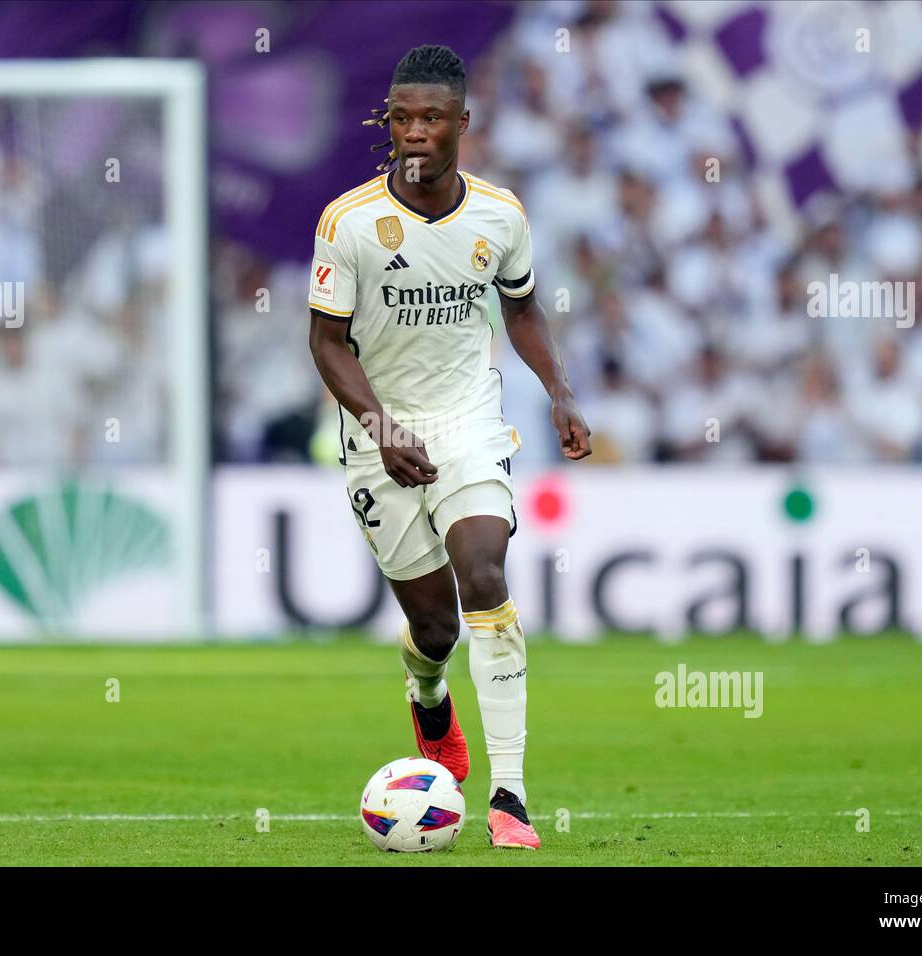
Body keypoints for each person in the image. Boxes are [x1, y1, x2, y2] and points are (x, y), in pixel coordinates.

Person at [307, 45, 591, 849]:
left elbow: (523, 309)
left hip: (469, 421)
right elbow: (327, 344)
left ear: (462, 123)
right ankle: (428, 696)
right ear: (388, 124)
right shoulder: (350, 221)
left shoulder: (500, 215)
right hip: (378, 435)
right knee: (435, 629)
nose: (416, 132)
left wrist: (560, 392)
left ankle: (510, 796)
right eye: (403, 118)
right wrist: (382, 427)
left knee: (486, 576)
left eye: (432, 118)